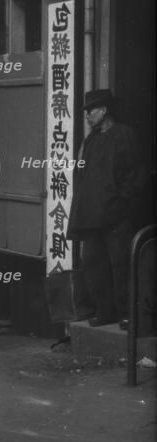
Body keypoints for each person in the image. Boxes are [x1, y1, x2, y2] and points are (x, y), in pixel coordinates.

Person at [67, 89, 144, 330]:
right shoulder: (90, 140)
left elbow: (135, 175)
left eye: (92, 110)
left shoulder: (124, 135)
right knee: (93, 265)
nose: (88, 115)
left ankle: (127, 313)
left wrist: (122, 204)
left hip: (116, 216)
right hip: (91, 216)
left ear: (105, 110)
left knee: (121, 265)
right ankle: (105, 311)